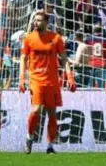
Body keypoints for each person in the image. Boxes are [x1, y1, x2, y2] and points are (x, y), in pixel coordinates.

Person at [19, 10, 73, 154]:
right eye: (35, 20)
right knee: (36, 110)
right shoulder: (29, 39)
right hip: (36, 80)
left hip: (52, 82)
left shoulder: (56, 39)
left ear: (46, 22)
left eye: (39, 20)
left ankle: (50, 146)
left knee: (52, 114)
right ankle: (29, 137)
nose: (36, 23)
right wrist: (21, 79)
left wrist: (70, 77)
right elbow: (23, 60)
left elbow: (64, 59)